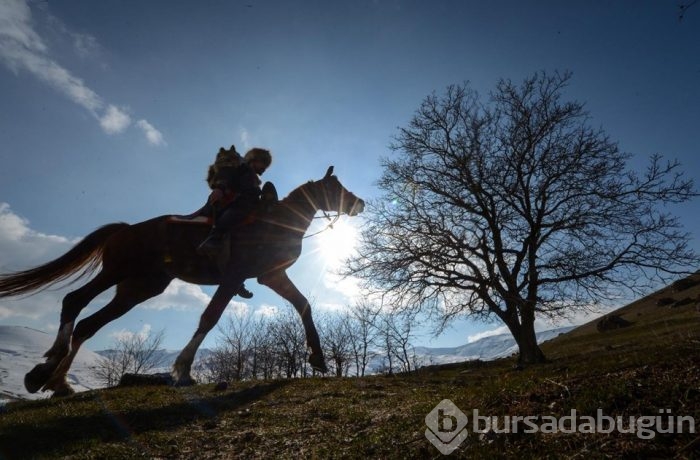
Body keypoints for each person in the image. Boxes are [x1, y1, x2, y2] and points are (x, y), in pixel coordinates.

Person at [198, 146, 272, 254]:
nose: (264, 168)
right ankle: (214, 237)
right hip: (228, 201)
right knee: (242, 208)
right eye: (263, 162)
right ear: (253, 159)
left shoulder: (254, 181)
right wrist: (220, 188)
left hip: (246, 203)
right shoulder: (239, 168)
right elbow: (226, 174)